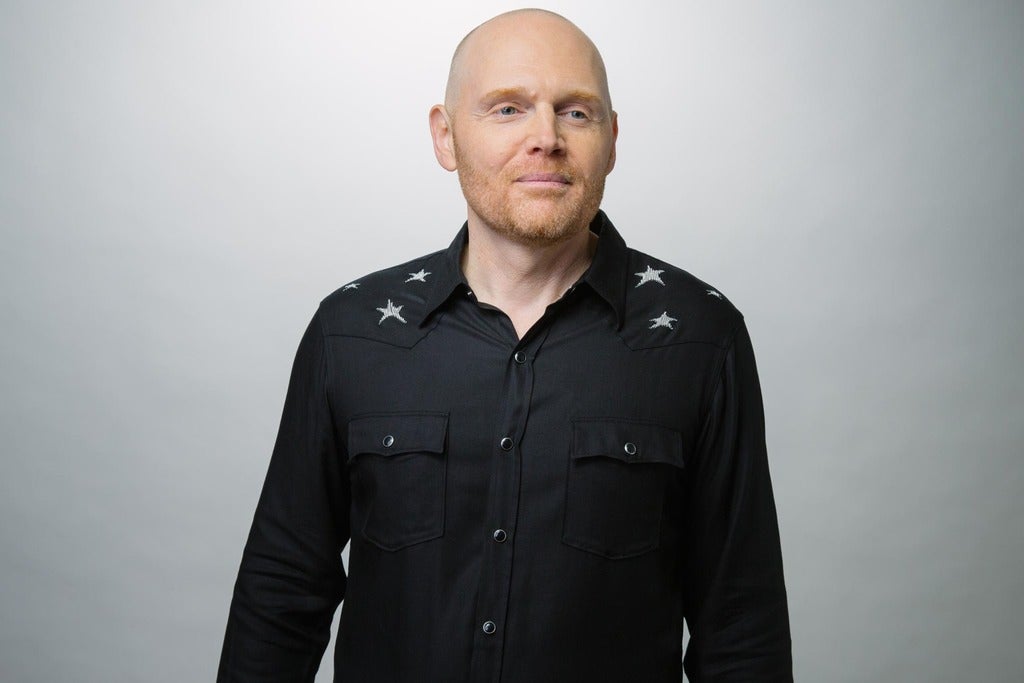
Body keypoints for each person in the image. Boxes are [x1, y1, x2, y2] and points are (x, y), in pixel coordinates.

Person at [218, 8, 792, 682]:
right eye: (508, 109)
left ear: (611, 139)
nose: (545, 138)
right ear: (446, 136)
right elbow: (281, 595)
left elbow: (741, 627)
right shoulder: (350, 334)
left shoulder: (701, 338)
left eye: (575, 112)